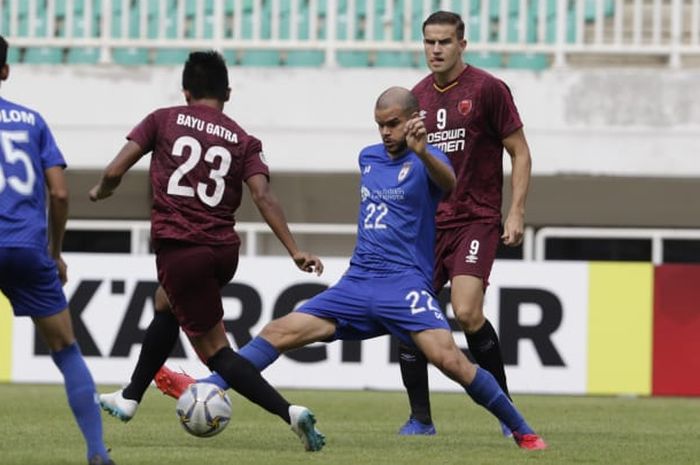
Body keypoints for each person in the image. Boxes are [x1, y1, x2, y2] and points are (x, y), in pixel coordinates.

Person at [157, 87, 546, 450]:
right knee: (278, 331)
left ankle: (523, 430)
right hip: (357, 284)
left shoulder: (430, 160)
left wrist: (424, 150)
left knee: (451, 362)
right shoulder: (368, 157)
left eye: (392, 124)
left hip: (403, 285)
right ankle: (206, 385)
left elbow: (448, 182)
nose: (385, 132)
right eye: (380, 124)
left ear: (413, 119)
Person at [89, 50, 325, 452]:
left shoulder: (163, 119)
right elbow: (263, 195)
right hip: (221, 252)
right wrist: (294, 250)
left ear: (185, 91)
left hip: (183, 250)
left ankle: (290, 413)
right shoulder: (244, 139)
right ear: (227, 93)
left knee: (216, 353)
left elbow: (114, 171)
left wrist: (101, 190)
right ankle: (130, 396)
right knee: (165, 303)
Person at [395, 10, 535, 436]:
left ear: (462, 45)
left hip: (475, 217)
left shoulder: (488, 89)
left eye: (444, 42)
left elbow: (520, 152)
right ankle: (421, 420)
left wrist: (516, 210)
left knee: (467, 310)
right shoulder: (414, 97)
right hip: (427, 226)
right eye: (429, 42)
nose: (435, 50)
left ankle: (507, 414)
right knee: (408, 316)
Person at [0, 36, 115, 465]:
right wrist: (55, 250)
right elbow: (61, 194)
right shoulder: (32, 121)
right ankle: (97, 452)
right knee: (66, 349)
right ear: (5, 71)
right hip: (29, 247)